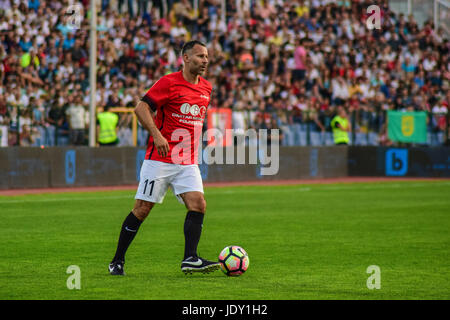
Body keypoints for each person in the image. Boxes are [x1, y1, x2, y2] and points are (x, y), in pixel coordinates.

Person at [108, 40, 220, 276]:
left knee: (198, 204)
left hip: (187, 161)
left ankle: (190, 258)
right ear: (186, 58)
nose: (205, 61)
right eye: (200, 56)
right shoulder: (169, 82)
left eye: (207, 56)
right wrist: (158, 136)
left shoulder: (206, 88)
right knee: (142, 209)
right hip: (159, 159)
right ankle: (117, 261)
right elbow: (141, 108)